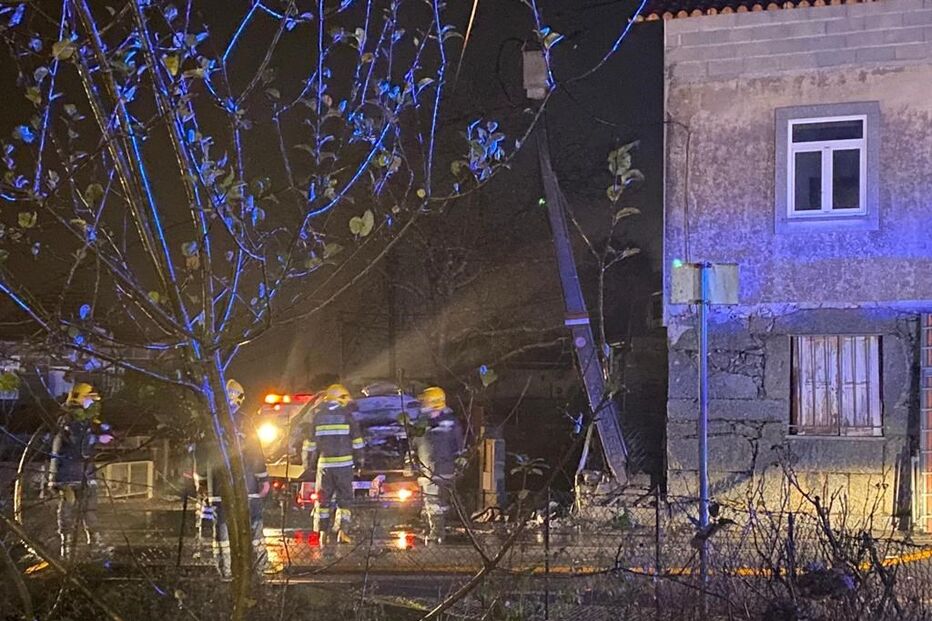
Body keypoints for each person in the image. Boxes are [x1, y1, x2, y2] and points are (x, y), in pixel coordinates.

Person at [194, 379, 271, 578]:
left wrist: (201, 481)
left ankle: (226, 570)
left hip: (218, 486)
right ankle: (259, 567)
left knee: (223, 530)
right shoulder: (245, 421)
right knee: (253, 525)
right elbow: (255, 453)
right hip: (248, 486)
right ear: (238, 398)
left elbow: (200, 455)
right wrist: (263, 479)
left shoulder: (210, 423)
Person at [48, 382, 113, 559]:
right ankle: (76, 547)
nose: (94, 404)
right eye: (91, 400)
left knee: (79, 509)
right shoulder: (74, 423)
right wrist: (99, 437)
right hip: (73, 474)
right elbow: (81, 447)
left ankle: (77, 546)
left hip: (73, 474)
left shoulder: (73, 421)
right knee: (79, 509)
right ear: (82, 399)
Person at [301, 383, 364, 546]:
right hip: (344, 467)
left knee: (323, 501)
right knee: (345, 501)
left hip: (325, 467)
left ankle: (322, 534)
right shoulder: (348, 416)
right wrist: (359, 462)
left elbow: (310, 444)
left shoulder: (317, 417)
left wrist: (309, 464)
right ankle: (342, 533)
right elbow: (357, 441)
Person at [413, 386, 463, 544]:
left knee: (433, 501)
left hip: (433, 469)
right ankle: (434, 528)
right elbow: (460, 446)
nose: (423, 405)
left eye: (425, 401)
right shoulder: (451, 421)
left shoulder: (426, 422)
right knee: (438, 502)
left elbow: (415, 442)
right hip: (442, 469)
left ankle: (437, 532)